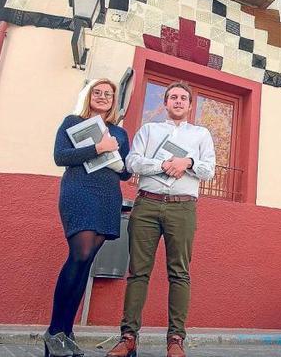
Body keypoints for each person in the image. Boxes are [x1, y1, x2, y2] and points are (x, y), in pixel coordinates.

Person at [107, 81, 215, 357]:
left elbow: (209, 170)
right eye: (173, 98)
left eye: (183, 98)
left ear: (190, 105)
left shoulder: (201, 134)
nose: (178, 101)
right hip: (147, 205)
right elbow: (132, 162)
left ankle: (176, 339)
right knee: (138, 272)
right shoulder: (149, 129)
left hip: (182, 208)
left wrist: (187, 162)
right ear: (165, 103)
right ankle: (128, 337)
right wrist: (165, 165)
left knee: (179, 273)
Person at [44, 79, 132, 357]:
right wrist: (98, 148)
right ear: (89, 96)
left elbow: (126, 172)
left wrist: (114, 151)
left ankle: (66, 334)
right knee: (79, 255)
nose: (103, 96)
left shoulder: (119, 131)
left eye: (109, 94)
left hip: (107, 196)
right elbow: (60, 156)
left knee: (85, 264)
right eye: (98, 92)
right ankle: (54, 332)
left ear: (114, 100)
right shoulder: (72, 122)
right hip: (78, 191)